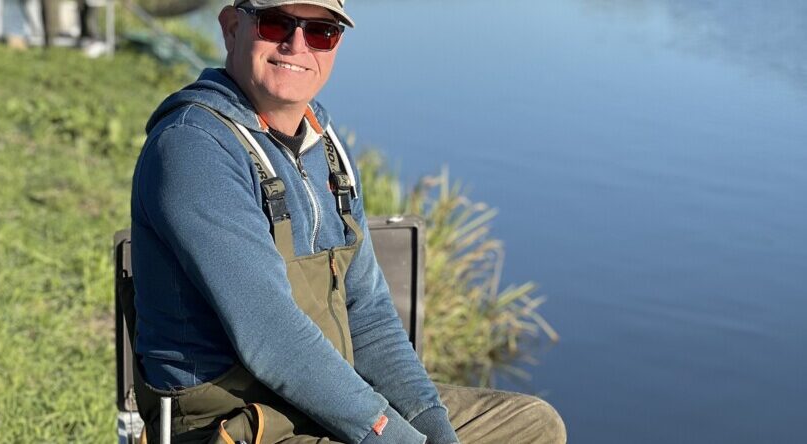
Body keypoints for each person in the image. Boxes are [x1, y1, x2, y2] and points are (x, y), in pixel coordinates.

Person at [130, 0, 567, 442]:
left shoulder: (326, 147)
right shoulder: (193, 148)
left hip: (324, 403)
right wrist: (390, 435)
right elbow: (274, 340)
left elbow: (370, 317)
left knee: (534, 425)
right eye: (276, 22)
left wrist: (433, 428)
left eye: (321, 31)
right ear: (231, 27)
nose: (296, 44)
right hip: (236, 425)